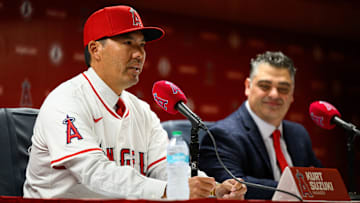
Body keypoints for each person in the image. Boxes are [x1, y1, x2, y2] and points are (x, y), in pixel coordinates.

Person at [23, 5, 247, 199]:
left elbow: (164, 167)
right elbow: (94, 172)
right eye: (128, 42)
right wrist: (169, 190)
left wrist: (212, 188)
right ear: (95, 50)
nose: (139, 54)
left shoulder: (141, 110)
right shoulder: (66, 101)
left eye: (142, 45)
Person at [199, 51, 322, 200]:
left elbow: (321, 183)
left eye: (283, 88)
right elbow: (234, 187)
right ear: (248, 86)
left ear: (292, 94)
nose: (274, 94)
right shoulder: (221, 135)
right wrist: (301, 186)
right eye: (265, 86)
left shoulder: (299, 134)